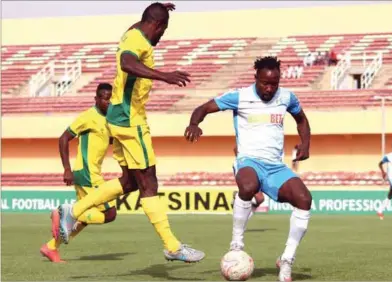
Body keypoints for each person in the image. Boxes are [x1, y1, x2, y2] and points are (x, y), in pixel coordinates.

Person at [53, 2, 204, 263]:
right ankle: (172, 245)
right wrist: (164, 75)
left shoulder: (132, 33)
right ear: (155, 25)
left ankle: (73, 210)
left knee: (130, 182)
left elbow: (136, 29)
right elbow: (126, 63)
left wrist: (161, 8)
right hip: (130, 120)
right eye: (163, 30)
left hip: (117, 117)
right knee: (149, 182)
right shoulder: (138, 43)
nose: (162, 36)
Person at [185, 56, 312, 282]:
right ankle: (236, 244)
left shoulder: (286, 97)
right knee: (248, 185)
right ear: (256, 78)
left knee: (304, 199)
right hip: (248, 161)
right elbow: (203, 108)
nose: (270, 88)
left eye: (274, 83)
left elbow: (301, 120)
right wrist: (194, 124)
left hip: (275, 167)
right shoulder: (239, 96)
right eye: (265, 83)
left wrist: (305, 143)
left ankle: (286, 260)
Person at [40, 83, 121, 263]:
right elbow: (64, 138)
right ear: (96, 99)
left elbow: (103, 140)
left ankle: (51, 247)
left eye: (111, 99)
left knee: (85, 218)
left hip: (91, 173)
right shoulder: (88, 117)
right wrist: (67, 169)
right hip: (87, 174)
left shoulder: (108, 119)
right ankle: (63, 213)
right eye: (105, 98)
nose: (108, 102)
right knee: (110, 214)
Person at [232, 146, 265, 218]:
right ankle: (238, 197)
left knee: (260, 199)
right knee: (259, 199)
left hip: (253, 177)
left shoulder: (246, 158)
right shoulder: (239, 162)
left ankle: (238, 198)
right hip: (247, 180)